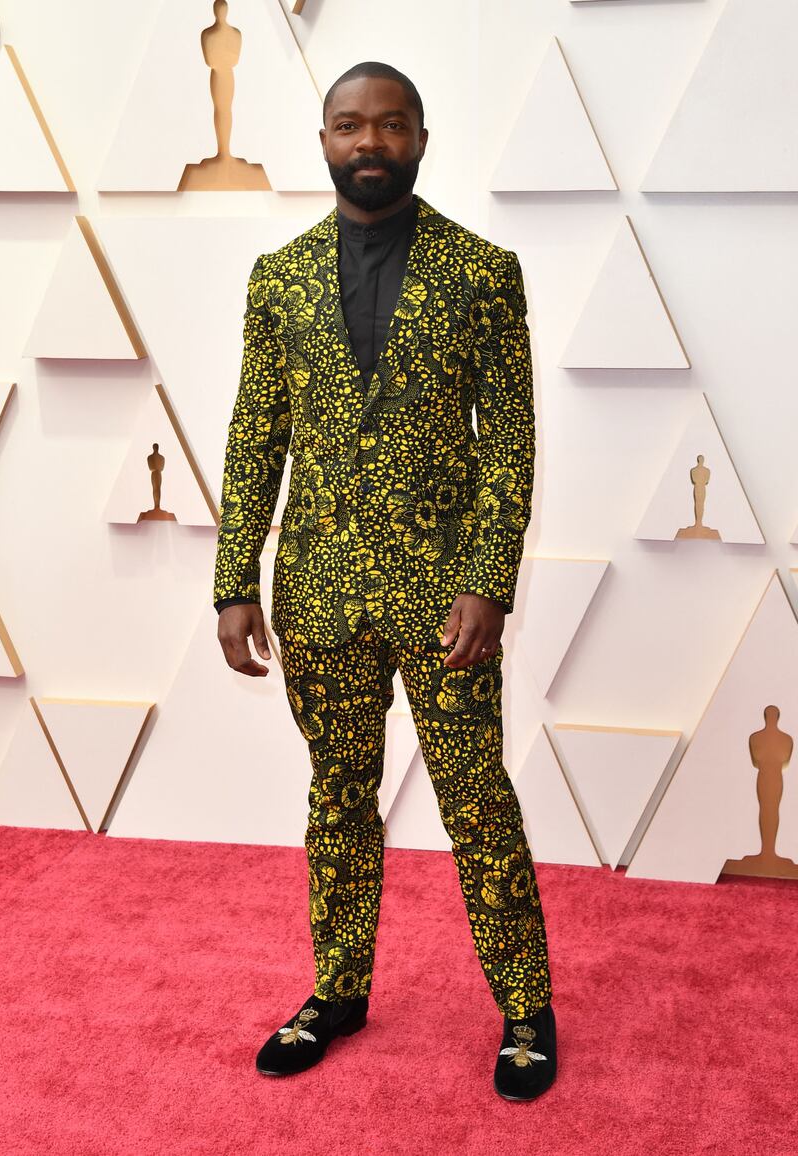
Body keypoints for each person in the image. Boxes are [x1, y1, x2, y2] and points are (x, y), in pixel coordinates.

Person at [213, 61, 557, 1102]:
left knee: (476, 800)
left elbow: (508, 443)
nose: (369, 142)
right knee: (337, 798)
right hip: (315, 593)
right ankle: (338, 989)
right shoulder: (277, 278)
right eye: (349, 125)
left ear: (418, 137)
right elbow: (251, 439)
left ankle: (527, 1010)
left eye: (390, 124)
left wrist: (488, 580)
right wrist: (234, 579)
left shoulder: (482, 271)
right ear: (322, 140)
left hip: (443, 596)